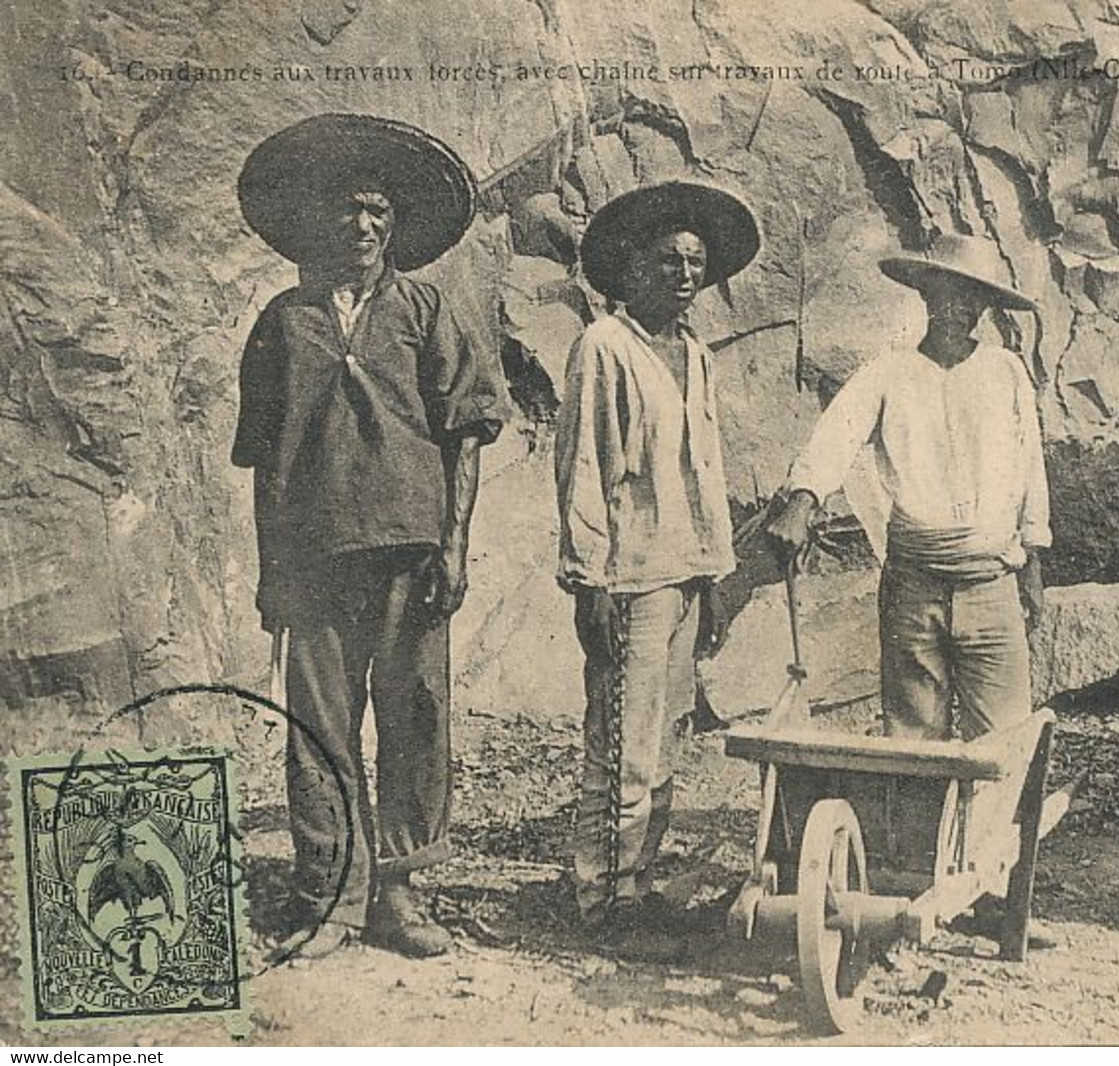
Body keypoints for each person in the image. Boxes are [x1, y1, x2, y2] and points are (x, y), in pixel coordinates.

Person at [232, 114, 507, 959]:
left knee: (415, 715)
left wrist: (453, 546)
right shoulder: (283, 322)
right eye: (347, 211)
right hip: (314, 559)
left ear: (394, 226)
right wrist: (272, 570)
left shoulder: (426, 308)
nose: (361, 226)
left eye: (377, 212)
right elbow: (264, 458)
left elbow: (465, 432)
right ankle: (331, 898)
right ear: (317, 222)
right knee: (318, 726)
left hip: (409, 550)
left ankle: (398, 892)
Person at [554, 180, 760, 948]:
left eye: (695, 262)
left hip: (683, 573)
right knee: (620, 741)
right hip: (628, 577)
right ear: (632, 268)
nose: (682, 274)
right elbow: (584, 468)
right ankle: (604, 902)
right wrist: (590, 580)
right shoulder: (605, 348)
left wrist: (710, 576)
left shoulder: (697, 356)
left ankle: (638, 883)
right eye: (668, 259)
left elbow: (704, 472)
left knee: (664, 738)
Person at [766, 234, 1050, 743]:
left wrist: (1033, 564)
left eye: (973, 298)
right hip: (913, 585)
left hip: (990, 581)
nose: (959, 308)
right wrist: (803, 500)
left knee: (1005, 739)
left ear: (986, 307)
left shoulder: (1005, 372)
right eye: (947, 292)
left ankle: (993, 827)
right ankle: (920, 824)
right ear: (924, 293)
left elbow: (1031, 470)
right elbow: (837, 434)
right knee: (914, 737)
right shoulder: (889, 372)